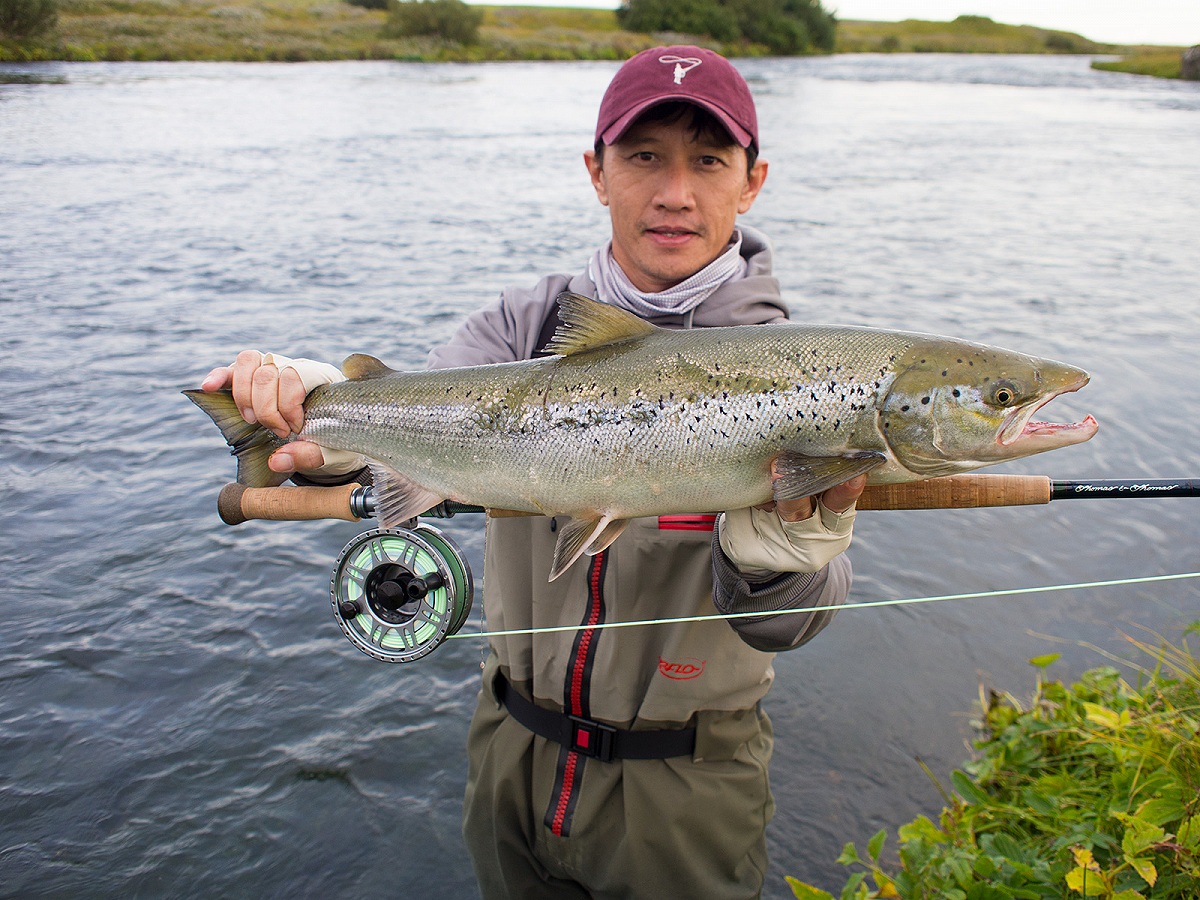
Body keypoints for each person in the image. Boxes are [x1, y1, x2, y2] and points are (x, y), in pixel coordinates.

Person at [202, 45, 866, 899]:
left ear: (753, 180)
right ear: (596, 172)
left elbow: (790, 628)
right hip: (508, 749)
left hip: (689, 782)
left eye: (708, 159)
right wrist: (314, 403)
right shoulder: (522, 325)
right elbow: (410, 406)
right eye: (643, 156)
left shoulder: (809, 374)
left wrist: (781, 555)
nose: (674, 190)